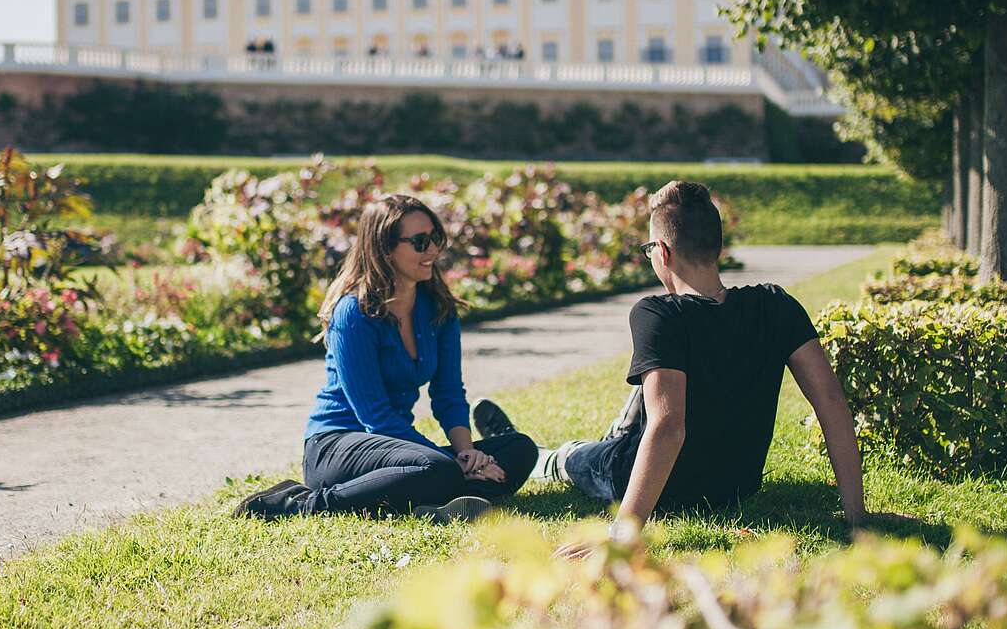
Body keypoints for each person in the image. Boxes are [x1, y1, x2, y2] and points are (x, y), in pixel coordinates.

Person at [516, 180, 872, 523]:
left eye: (649, 249)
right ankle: (603, 432)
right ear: (717, 247)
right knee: (631, 422)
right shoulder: (776, 306)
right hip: (735, 488)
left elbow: (669, 426)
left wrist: (622, 534)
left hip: (657, 488)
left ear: (663, 252)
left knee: (575, 457)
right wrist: (856, 516)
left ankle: (533, 454)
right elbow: (831, 400)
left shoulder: (658, 314)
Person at [233, 194, 539, 519]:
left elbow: (449, 394)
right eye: (421, 242)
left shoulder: (438, 309)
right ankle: (300, 502)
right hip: (337, 446)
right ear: (384, 247)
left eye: (436, 239)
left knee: (519, 450)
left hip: (394, 449)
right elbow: (375, 416)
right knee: (436, 467)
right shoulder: (354, 313)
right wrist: (452, 464)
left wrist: (467, 452)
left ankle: (430, 498)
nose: (433, 251)